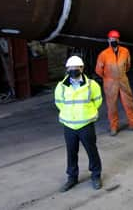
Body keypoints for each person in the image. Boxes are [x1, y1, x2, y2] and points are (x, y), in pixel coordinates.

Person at [55, 56, 103, 192]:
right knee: (71, 152)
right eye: (71, 68)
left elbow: (97, 101)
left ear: (82, 68)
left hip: (86, 124)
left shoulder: (92, 85)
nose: (73, 70)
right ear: (67, 69)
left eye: (77, 68)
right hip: (69, 125)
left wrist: (87, 113)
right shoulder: (61, 87)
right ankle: (72, 178)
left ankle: (96, 176)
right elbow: (59, 103)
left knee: (92, 151)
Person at [95, 30, 133, 136]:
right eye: (112, 39)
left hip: (123, 80)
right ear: (108, 40)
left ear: (118, 40)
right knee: (111, 106)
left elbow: (128, 65)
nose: (113, 41)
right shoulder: (103, 54)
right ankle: (114, 127)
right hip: (110, 82)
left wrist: (120, 75)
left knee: (129, 103)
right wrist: (108, 78)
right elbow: (98, 70)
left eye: (115, 39)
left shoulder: (125, 51)